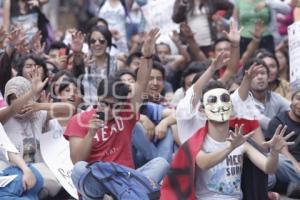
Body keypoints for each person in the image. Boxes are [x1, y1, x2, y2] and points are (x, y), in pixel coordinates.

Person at [65, 29, 169, 199]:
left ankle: (125, 193)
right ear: (98, 99)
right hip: (98, 184)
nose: (108, 109)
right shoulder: (80, 120)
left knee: (161, 163)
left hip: (125, 178)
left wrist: (148, 55)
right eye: (104, 104)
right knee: (78, 171)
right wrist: (91, 133)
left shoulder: (127, 112)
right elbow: (77, 161)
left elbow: (142, 83)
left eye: (114, 106)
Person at [161, 79, 293, 200]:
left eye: (224, 99)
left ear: (232, 109)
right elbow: (203, 163)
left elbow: (268, 168)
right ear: (203, 111)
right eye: (213, 101)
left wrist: (274, 153)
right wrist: (230, 147)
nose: (220, 105)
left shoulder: (241, 142)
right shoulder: (198, 141)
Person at [267, 87, 300, 198]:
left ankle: (296, 185)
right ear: (292, 99)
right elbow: (280, 151)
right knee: (278, 161)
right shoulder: (278, 121)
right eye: (298, 99)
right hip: (284, 167)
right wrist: (296, 165)